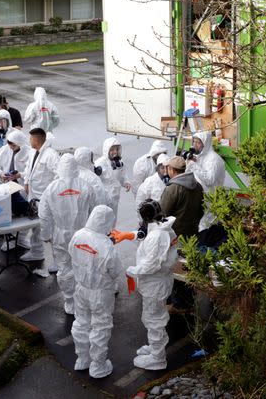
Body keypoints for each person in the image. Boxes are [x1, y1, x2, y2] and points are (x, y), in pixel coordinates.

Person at [68, 205, 122, 378]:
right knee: (100, 326)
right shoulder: (106, 245)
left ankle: (82, 359)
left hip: (81, 288)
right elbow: (115, 271)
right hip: (100, 293)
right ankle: (98, 366)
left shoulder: (78, 235)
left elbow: (71, 255)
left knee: (81, 323)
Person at [39, 154, 97, 314]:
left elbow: (44, 215)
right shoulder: (86, 186)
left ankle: (69, 300)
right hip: (83, 234)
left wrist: (46, 234)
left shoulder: (51, 188)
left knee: (64, 267)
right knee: (83, 266)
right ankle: (83, 301)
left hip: (60, 235)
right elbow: (95, 211)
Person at [122, 213, 179, 370]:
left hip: (154, 285)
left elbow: (151, 265)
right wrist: (130, 235)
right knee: (154, 317)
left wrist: (132, 270)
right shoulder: (165, 230)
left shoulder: (157, 236)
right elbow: (147, 240)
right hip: (159, 282)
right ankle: (155, 345)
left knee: (154, 319)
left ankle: (157, 358)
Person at [21, 127, 60, 261]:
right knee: (36, 227)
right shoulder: (34, 152)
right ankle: (36, 252)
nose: (29, 140)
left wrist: (50, 193)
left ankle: (58, 261)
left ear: (36, 139)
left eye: (30, 138)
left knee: (52, 230)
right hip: (34, 197)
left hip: (46, 199)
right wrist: (26, 182)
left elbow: (59, 175)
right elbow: (28, 169)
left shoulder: (50, 155)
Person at [186, 131, 226, 232]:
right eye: (194, 142)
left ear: (205, 143)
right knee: (199, 224)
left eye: (198, 142)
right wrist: (189, 163)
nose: (195, 145)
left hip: (210, 199)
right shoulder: (199, 157)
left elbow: (209, 180)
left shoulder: (214, 159)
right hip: (199, 197)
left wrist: (194, 165)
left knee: (207, 226)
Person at [158, 156, 204, 238]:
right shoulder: (198, 185)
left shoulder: (172, 189)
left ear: (172, 170)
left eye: (168, 168)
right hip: (193, 232)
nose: (166, 171)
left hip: (176, 235)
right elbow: (201, 210)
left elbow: (163, 213)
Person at [0, 129, 31, 218]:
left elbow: (31, 171)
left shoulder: (29, 152)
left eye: (14, 146)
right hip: (7, 183)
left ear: (20, 143)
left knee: (22, 212)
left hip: (21, 185)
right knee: (6, 208)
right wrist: (1, 174)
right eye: (10, 145)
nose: (11, 148)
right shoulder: (5, 149)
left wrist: (20, 175)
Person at [94, 136, 132, 219]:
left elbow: (122, 175)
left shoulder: (119, 163)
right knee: (102, 219)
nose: (115, 152)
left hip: (115, 197)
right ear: (107, 150)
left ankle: (112, 231)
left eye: (117, 149)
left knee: (112, 219)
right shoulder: (100, 163)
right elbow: (94, 181)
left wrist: (126, 182)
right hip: (103, 198)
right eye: (112, 150)